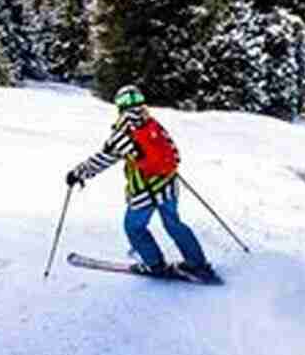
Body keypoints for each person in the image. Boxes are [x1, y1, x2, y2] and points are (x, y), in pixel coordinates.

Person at [66, 84, 216, 281]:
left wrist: (79, 173)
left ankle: (154, 264)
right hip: (169, 185)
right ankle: (198, 264)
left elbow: (104, 159)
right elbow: (175, 153)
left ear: (119, 107)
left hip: (144, 191)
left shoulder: (122, 133)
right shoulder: (152, 123)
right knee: (173, 223)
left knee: (134, 227)